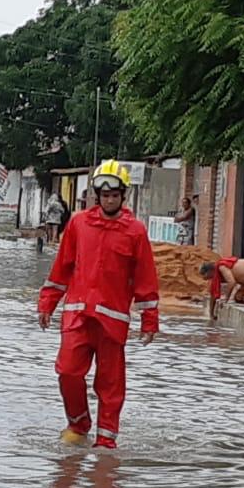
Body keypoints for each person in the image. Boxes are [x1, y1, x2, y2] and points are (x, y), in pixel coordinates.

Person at [38, 160, 161, 450]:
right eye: (104, 195)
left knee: (110, 384)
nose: (109, 199)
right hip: (78, 316)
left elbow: (145, 277)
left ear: (123, 196)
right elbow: (62, 267)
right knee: (68, 372)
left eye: (114, 195)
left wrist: (150, 319)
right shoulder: (79, 224)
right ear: (96, 195)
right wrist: (47, 303)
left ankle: (106, 440)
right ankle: (78, 425)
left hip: (113, 321)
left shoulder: (135, 231)